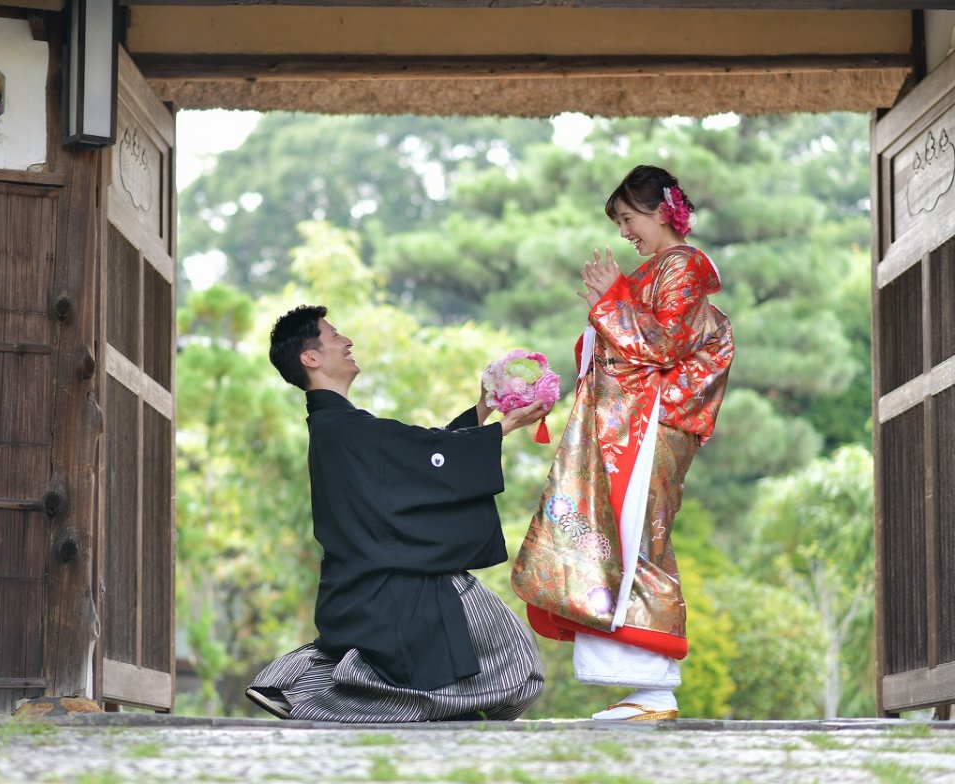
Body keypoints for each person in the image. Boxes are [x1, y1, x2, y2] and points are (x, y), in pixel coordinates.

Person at [246, 305, 547, 723]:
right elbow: (422, 455)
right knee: (515, 661)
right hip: (388, 587)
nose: (347, 341)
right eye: (335, 336)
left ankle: (302, 687)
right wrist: (502, 427)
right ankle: (316, 700)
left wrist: (484, 411)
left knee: (490, 664)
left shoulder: (340, 427)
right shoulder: (343, 429)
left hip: (363, 585)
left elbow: (419, 454)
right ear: (310, 358)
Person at [511, 165, 734, 721]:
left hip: (649, 422)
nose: (625, 233)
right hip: (628, 422)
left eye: (630, 218)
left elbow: (662, 345)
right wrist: (605, 314)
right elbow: (626, 341)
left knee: (637, 538)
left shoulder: (683, 267)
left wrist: (610, 302)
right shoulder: (654, 272)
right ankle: (641, 687)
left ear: (663, 211)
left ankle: (654, 690)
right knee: (616, 538)